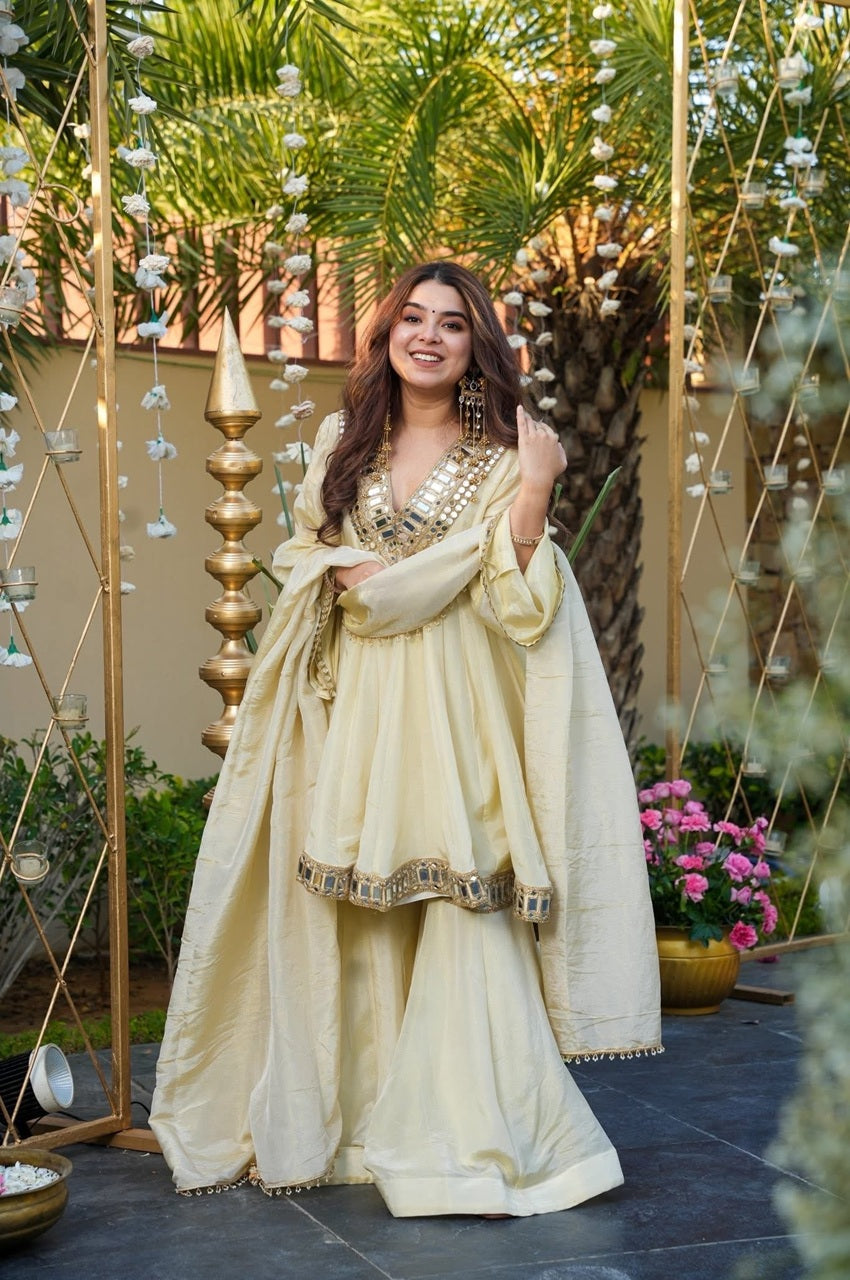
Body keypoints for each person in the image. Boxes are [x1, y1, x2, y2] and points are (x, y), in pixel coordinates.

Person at [150, 261, 661, 1218]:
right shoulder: (346, 441)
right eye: (413, 318)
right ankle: (362, 1123)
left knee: (465, 908)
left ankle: (476, 1140)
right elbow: (308, 550)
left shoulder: (513, 451)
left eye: (453, 325)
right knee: (356, 920)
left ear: (478, 350)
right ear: (387, 333)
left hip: (457, 704)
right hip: (360, 706)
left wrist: (540, 491)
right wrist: (348, 570)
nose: (428, 336)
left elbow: (519, 603)